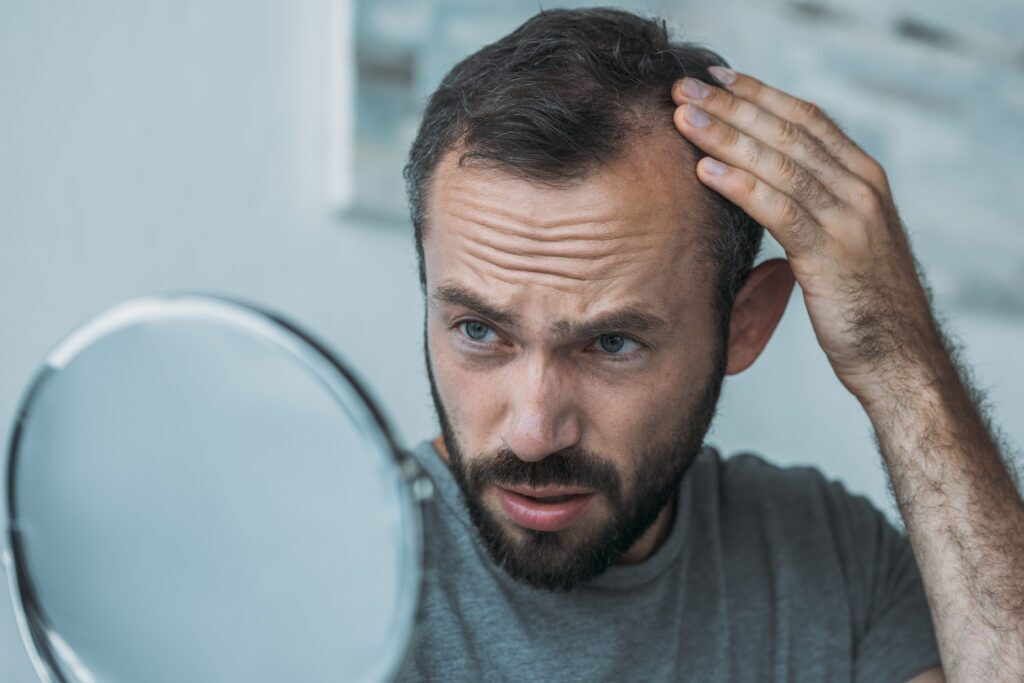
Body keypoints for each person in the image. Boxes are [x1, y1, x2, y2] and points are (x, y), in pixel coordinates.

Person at [393, 8, 1023, 682]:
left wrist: (900, 359)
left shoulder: (832, 563)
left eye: (611, 342)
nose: (533, 432)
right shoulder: (329, 565)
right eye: (479, 331)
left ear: (744, 324)